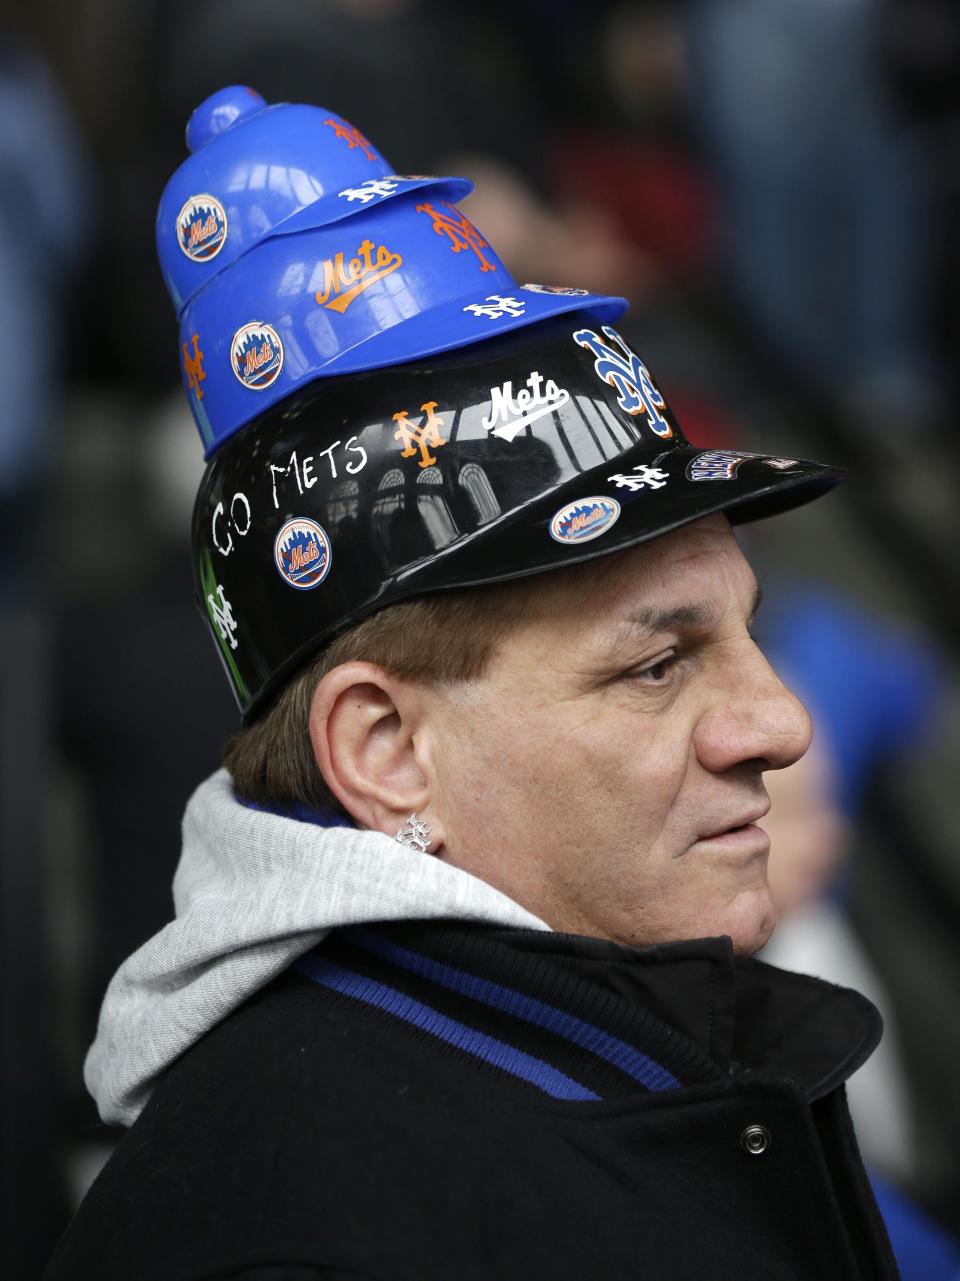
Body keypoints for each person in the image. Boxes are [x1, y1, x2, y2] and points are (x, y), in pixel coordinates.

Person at [45, 87, 900, 1279]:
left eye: (748, 634)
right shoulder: (295, 1235)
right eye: (658, 665)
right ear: (389, 753)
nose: (780, 722)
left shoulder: (620, 1032)